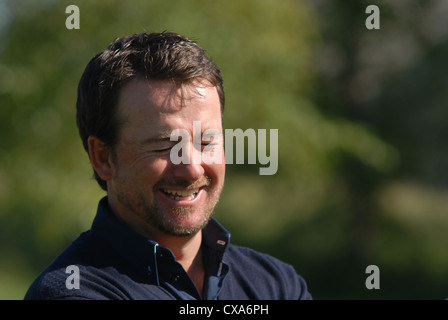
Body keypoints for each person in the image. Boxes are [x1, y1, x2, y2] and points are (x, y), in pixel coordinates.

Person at [24, 32, 312, 300]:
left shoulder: (277, 284)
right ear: (103, 158)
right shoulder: (74, 291)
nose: (192, 169)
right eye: (163, 145)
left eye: (206, 141)